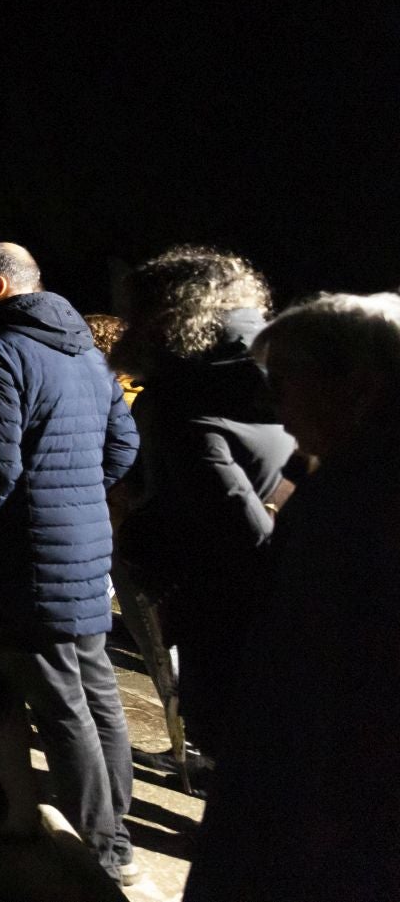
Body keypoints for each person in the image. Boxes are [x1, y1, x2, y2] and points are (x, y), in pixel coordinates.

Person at [185, 294, 400, 902]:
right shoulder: (349, 481)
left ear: (356, 388)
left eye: (284, 385)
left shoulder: (358, 505)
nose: (274, 411)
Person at [0, 242, 140, 887]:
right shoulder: (84, 350)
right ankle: (120, 826)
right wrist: (81, 492)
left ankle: (102, 850)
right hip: (85, 541)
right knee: (97, 685)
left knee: (61, 702)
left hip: (29, 549)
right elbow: (124, 447)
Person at [111, 247, 295, 759]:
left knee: (236, 753)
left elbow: (230, 523)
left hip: (222, 611)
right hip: (293, 606)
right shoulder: (276, 373)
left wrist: (137, 531)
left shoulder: (182, 400)